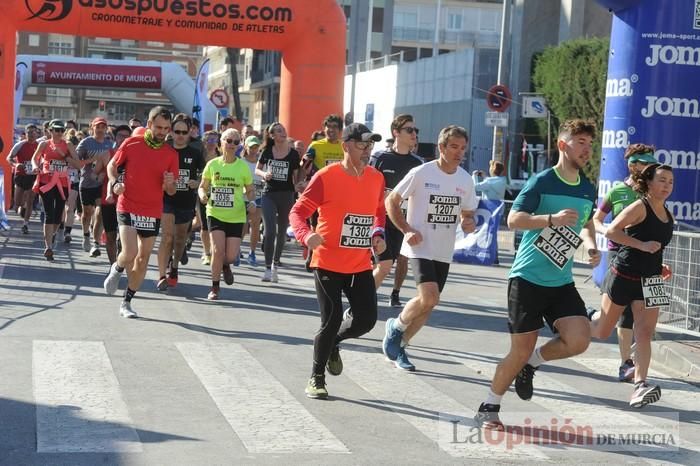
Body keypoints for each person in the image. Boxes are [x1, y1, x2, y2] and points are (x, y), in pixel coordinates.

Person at [475, 119, 601, 430]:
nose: (586, 149)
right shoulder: (542, 181)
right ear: (563, 144)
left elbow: (585, 223)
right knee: (518, 350)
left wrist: (591, 244)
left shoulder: (587, 188)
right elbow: (514, 219)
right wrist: (550, 219)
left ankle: (533, 364)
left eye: (589, 143)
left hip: (560, 280)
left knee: (579, 339)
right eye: (580, 142)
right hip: (528, 277)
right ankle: (488, 407)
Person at [289, 123, 387, 399]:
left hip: (360, 264)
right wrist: (305, 235)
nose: (367, 150)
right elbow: (298, 212)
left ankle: (334, 343)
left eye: (370, 145)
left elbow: (379, 212)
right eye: (361, 145)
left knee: (366, 320)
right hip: (327, 261)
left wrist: (378, 234)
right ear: (346, 146)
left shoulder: (375, 178)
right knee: (330, 320)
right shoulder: (326, 176)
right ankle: (316, 377)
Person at [382, 125, 478, 371]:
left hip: (443, 249)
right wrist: (406, 229)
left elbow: (467, 213)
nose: (459, 152)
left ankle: (401, 344)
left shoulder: (465, 180)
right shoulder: (422, 173)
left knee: (430, 303)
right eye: (454, 147)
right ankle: (396, 326)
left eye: (463, 148)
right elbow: (392, 200)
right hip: (419, 245)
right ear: (441, 147)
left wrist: (468, 222)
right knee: (429, 297)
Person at [590, 163, 674, 408]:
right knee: (602, 330)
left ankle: (640, 386)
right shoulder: (639, 207)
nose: (667, 185)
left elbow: (656, 246)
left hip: (652, 279)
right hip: (625, 273)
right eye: (662, 180)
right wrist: (642, 246)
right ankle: (581, 318)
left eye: (670, 181)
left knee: (645, 333)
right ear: (648, 182)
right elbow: (612, 232)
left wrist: (660, 265)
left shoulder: (668, 214)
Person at [102, 106, 179, 318]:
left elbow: (171, 191)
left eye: (166, 128)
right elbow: (111, 166)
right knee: (130, 252)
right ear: (150, 125)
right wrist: (115, 182)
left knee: (143, 259)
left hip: (152, 210)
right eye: (158, 127)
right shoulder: (132, 143)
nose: (162, 132)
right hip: (128, 204)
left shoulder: (171, 154)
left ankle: (126, 302)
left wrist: (170, 183)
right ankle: (117, 269)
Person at [592, 144, 658, 383]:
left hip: (650, 263)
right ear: (632, 165)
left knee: (646, 322)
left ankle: (636, 372)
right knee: (622, 316)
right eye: (645, 162)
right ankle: (625, 364)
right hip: (621, 258)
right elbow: (597, 220)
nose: (650, 166)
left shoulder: (653, 193)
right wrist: (607, 231)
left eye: (652, 162)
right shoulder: (618, 191)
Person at [370, 114, 424, 308]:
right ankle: (365, 299)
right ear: (396, 133)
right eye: (409, 130)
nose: (414, 134)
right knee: (382, 264)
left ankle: (395, 292)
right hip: (381, 220)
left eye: (415, 131)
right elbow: (367, 186)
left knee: (402, 259)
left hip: (404, 221)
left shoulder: (418, 163)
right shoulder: (380, 158)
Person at [198, 128, 256, 300]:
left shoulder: (243, 167)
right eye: (228, 141)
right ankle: (215, 287)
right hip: (215, 212)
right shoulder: (212, 164)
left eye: (236, 142)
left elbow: (250, 190)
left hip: (237, 215)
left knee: (230, 256)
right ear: (220, 143)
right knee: (217, 250)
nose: (232, 145)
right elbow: (203, 186)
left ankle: (225, 266)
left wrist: (251, 201)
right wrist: (202, 195)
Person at [156, 115, 205, 290]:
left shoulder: (195, 153)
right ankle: (162, 275)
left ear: (189, 133)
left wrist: (197, 182)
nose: (180, 135)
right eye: (177, 132)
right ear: (171, 131)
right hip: (166, 200)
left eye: (184, 132)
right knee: (167, 237)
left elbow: (204, 174)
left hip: (186, 201)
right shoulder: (164, 150)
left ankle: (174, 266)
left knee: (179, 240)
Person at [256, 122, 303, 282]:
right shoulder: (267, 151)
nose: (283, 133)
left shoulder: (293, 154)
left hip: (286, 194)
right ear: (272, 135)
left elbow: (297, 175)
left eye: (283, 130)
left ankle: (276, 264)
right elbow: (257, 168)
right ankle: (267, 267)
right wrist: (264, 174)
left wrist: (299, 185)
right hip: (269, 193)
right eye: (278, 131)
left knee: (282, 232)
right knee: (269, 232)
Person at [30, 120, 83, 261]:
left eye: (61, 130)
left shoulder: (68, 145)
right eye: (56, 130)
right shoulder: (44, 144)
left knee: (59, 214)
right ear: (50, 131)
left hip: (63, 182)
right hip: (46, 181)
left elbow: (78, 164)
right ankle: (48, 246)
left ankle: (51, 235)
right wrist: (36, 166)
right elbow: (34, 159)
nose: (59, 133)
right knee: (49, 213)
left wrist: (65, 156)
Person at [76, 117, 113, 257]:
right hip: (86, 182)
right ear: (92, 127)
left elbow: (112, 164)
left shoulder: (110, 145)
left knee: (100, 212)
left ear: (106, 128)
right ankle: (86, 236)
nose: (101, 129)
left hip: (101, 184)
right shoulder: (86, 143)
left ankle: (95, 243)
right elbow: (77, 162)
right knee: (87, 214)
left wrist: (104, 173)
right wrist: (92, 160)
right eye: (98, 127)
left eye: (103, 127)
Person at [95, 124, 132, 264]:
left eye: (127, 136)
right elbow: (95, 173)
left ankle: (120, 263)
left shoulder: (135, 156)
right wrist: (100, 172)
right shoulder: (106, 154)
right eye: (121, 136)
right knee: (110, 235)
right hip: (109, 201)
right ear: (115, 137)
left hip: (128, 201)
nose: (124, 139)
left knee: (124, 237)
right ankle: (113, 265)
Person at [6, 124, 40, 234]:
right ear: (26, 134)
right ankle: (23, 205)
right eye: (29, 132)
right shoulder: (20, 145)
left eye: (34, 132)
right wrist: (16, 165)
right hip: (21, 175)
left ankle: (25, 223)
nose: (32, 134)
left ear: (37, 133)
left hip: (33, 176)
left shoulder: (40, 145)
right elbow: (9, 158)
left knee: (30, 200)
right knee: (18, 202)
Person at [194, 130, 221, 265]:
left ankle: (214, 250)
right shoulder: (199, 156)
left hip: (219, 194)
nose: (211, 143)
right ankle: (207, 253)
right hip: (202, 193)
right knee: (204, 225)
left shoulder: (222, 157)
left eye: (214, 140)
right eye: (209, 140)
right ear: (204, 142)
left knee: (215, 225)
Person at [242, 135, 263, 266]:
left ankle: (252, 252)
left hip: (258, 196)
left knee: (255, 225)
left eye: (256, 147)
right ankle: (237, 249)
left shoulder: (262, 163)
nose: (254, 149)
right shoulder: (241, 162)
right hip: (242, 198)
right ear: (245, 147)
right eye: (251, 147)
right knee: (243, 227)